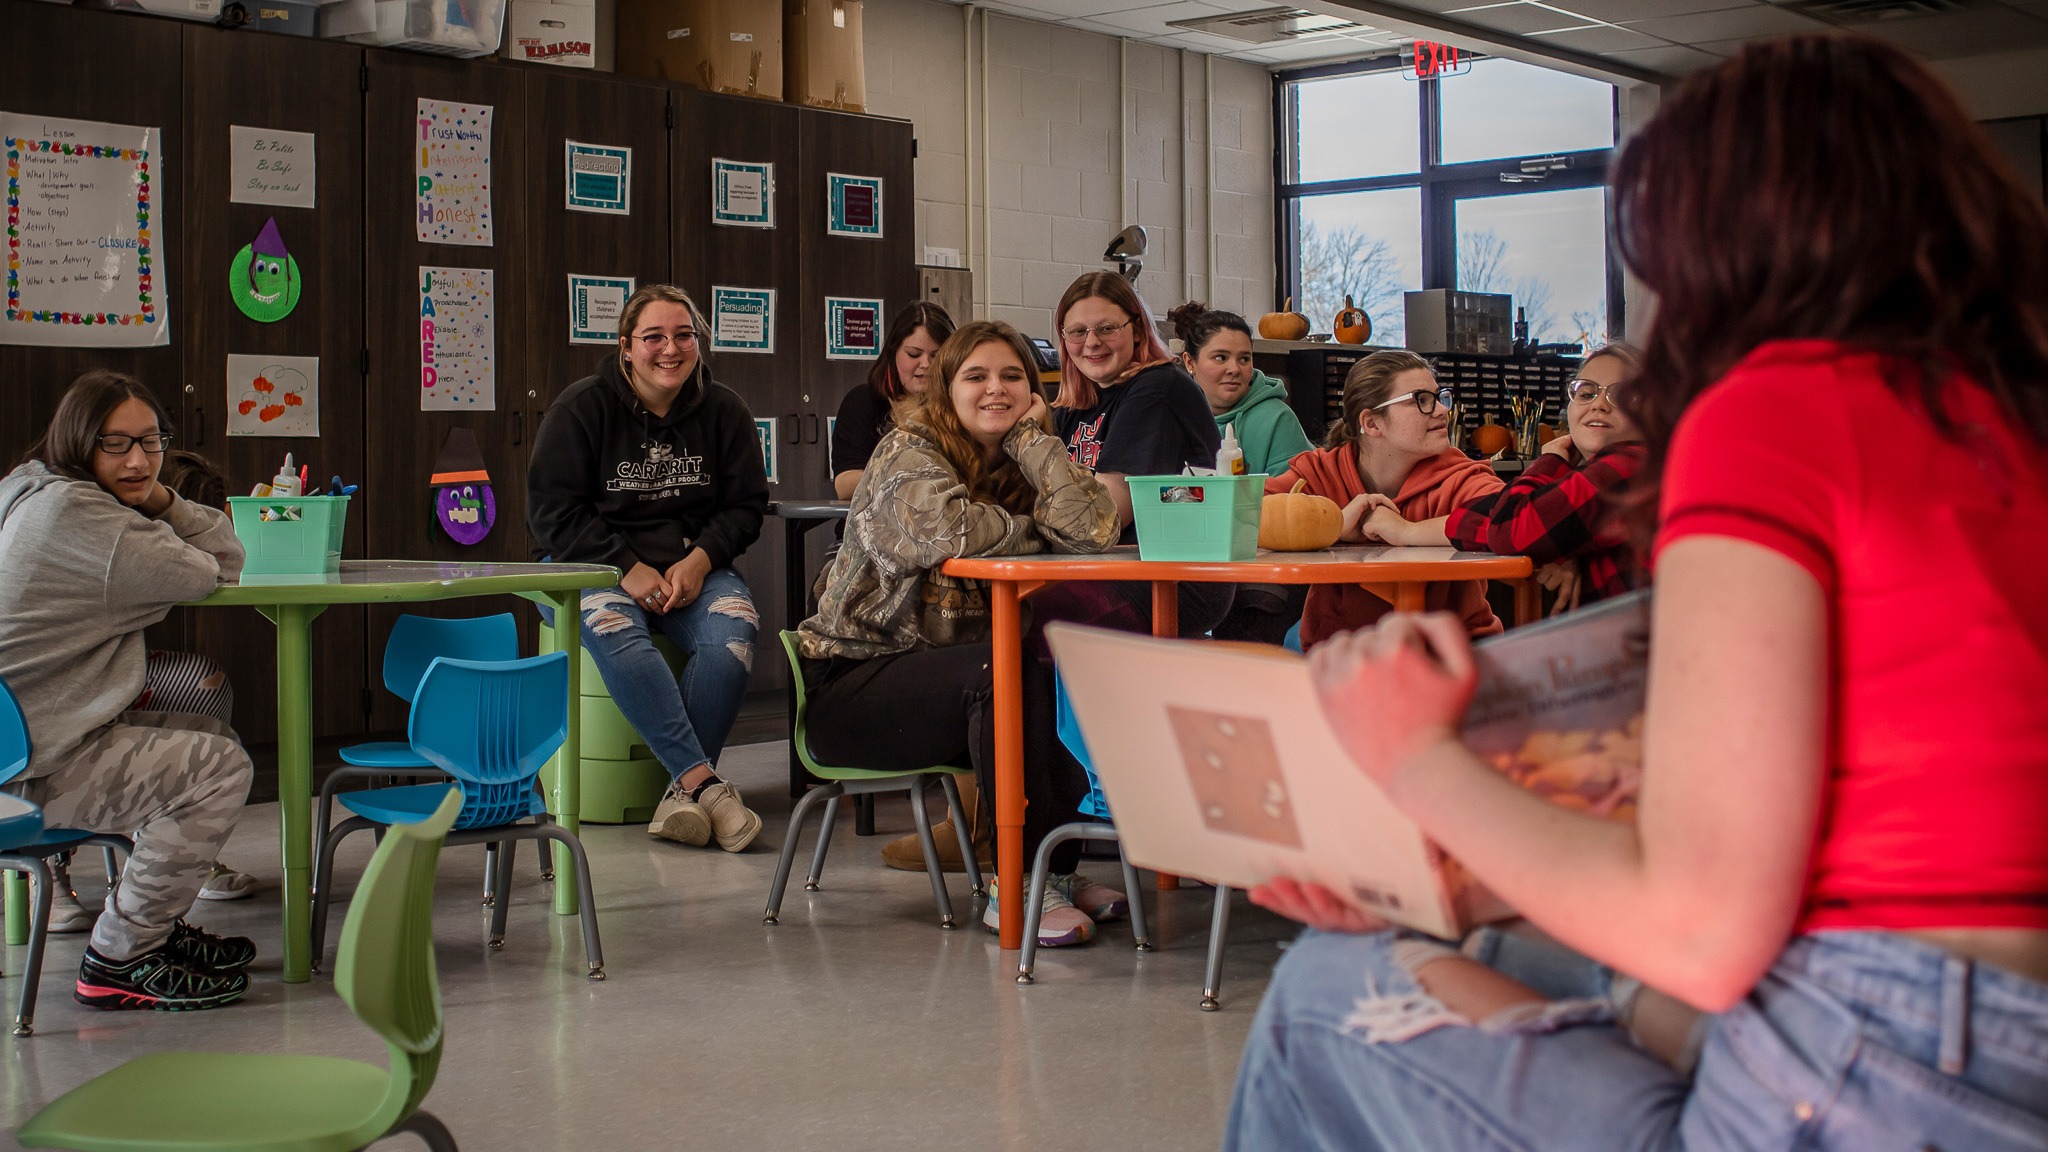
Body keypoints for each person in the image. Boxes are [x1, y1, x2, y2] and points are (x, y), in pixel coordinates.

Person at [1225, 34, 2048, 1151]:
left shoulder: (1774, 415)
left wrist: (1411, 759)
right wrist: (1479, 882)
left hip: (1889, 1053)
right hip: (1977, 1028)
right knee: (1504, 945)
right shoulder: (1995, 413)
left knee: (1324, 993)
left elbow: (1701, 926)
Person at [797, 320, 1123, 947]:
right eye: (976, 376)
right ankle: (1015, 883)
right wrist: (1034, 531)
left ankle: (1054, 870)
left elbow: (1091, 531)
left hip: (943, 676)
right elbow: (945, 530)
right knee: (1001, 674)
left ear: (1035, 389)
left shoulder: (1019, 455)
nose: (995, 389)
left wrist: (1036, 443)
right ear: (946, 390)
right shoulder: (906, 450)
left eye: (1013, 376)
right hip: (852, 682)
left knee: (1042, 670)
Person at [0, 370, 258, 1012]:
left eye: (151, 440)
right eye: (116, 444)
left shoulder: (29, 488)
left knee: (204, 729)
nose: (140, 460)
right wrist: (167, 504)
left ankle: (151, 926)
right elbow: (219, 564)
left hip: (17, 743)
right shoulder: (87, 517)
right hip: (26, 769)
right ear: (79, 443)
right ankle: (122, 955)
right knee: (219, 768)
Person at [528, 283, 770, 853]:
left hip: (692, 567)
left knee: (735, 632)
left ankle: (679, 799)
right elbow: (550, 514)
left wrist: (701, 559)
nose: (671, 348)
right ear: (625, 347)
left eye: (683, 335)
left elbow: (745, 507)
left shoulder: (724, 410)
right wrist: (624, 568)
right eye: (654, 337)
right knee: (621, 634)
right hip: (583, 566)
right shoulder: (580, 408)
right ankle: (703, 784)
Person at [1033, 271, 1234, 640]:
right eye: (1077, 332)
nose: (1091, 343)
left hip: (1172, 580)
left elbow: (1101, 516)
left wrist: (1029, 442)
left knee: (1021, 620)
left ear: (1138, 330)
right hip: (1106, 568)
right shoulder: (1075, 404)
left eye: (1107, 328)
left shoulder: (1159, 388)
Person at [1266, 350, 1504, 649]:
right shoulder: (1323, 471)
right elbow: (1243, 516)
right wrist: (1334, 525)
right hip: (1339, 653)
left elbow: (1510, 517)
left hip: (1452, 655)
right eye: (1421, 400)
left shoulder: (1459, 475)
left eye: (1440, 397)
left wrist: (1407, 531)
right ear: (1373, 423)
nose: (1442, 410)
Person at [1443, 342, 1646, 615]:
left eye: (1620, 395)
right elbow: (1463, 520)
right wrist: (1558, 546)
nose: (1598, 405)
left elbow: (1506, 528)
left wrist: (1551, 458)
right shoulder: (1596, 476)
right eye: (1586, 393)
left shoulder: (1631, 465)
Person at [1169, 300, 1316, 645]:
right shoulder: (1169, 416)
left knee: (1248, 615)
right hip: (1186, 561)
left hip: (1259, 570)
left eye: (1244, 358)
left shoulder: (1276, 418)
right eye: (1220, 358)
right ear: (1190, 362)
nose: (1234, 368)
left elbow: (1296, 505)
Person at [830, 301, 955, 500]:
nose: (926, 364)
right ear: (893, 353)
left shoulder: (961, 406)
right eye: (913, 354)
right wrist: (910, 473)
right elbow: (845, 486)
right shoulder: (863, 402)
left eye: (936, 356)